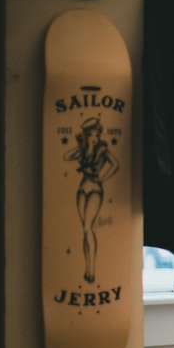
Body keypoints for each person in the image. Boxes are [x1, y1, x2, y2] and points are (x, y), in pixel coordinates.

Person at [64, 116, 120, 283]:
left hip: (95, 189)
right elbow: (67, 156)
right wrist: (81, 146)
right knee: (85, 229)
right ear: (86, 136)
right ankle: (87, 266)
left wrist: (102, 178)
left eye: (97, 135)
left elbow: (115, 164)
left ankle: (91, 269)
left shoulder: (102, 150)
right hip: (82, 188)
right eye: (91, 135)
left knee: (88, 228)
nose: (94, 138)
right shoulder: (83, 150)